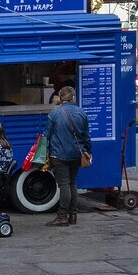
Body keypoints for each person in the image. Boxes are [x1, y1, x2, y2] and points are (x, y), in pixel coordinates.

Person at [44, 87, 93, 227]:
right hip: (76, 154)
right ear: (73, 98)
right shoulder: (82, 113)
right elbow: (86, 137)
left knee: (64, 185)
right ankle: (73, 215)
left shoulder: (54, 114)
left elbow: (46, 134)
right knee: (72, 183)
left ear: (60, 97)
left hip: (58, 155)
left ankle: (62, 217)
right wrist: (88, 151)